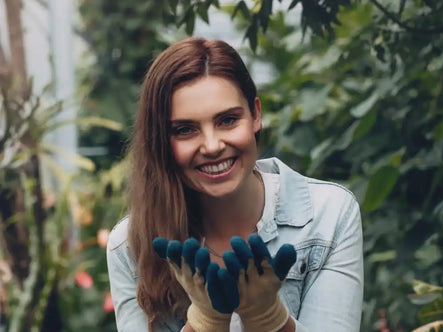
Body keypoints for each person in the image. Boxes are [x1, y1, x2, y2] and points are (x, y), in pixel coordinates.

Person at [107, 37, 364, 331]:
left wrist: (268, 318)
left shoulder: (328, 216)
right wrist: (205, 321)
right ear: (160, 141)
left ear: (255, 114)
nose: (213, 145)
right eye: (185, 129)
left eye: (227, 120)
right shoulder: (130, 246)